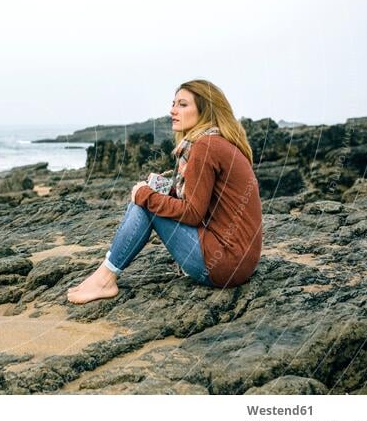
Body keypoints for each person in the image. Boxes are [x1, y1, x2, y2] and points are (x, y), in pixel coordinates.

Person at [67, 79, 263, 305]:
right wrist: (163, 190)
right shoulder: (216, 142)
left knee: (144, 202)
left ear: (205, 110)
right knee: (148, 195)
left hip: (223, 265)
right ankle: (104, 275)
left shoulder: (206, 146)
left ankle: (105, 279)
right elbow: (202, 201)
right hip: (240, 262)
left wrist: (145, 195)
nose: (172, 110)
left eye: (182, 105)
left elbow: (192, 213)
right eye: (173, 104)